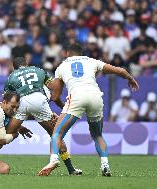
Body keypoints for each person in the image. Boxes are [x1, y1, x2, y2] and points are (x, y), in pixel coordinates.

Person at [38, 43, 139, 177]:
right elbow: (120, 70)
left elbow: (55, 95)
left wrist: (64, 108)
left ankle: (54, 160)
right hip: (96, 97)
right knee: (97, 135)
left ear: (67, 53)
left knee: (57, 133)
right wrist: (130, 78)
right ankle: (105, 164)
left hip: (76, 98)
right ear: (81, 53)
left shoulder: (62, 66)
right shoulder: (91, 61)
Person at [0, 57, 82, 176]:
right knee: (55, 134)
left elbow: (7, 100)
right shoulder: (38, 70)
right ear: (26, 64)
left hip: (23, 102)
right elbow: (54, 85)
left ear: (14, 67)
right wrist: (53, 102)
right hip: (40, 100)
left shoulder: (11, 77)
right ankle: (71, 169)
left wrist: (15, 123)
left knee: (3, 135)